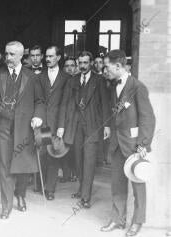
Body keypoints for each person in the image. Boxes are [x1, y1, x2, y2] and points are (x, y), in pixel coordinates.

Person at [0, 41, 45, 219]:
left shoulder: (32, 77)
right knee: (4, 166)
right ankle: (6, 205)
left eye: (12, 54)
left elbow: (40, 101)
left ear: (21, 56)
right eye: (6, 54)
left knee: (22, 165)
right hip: (2, 126)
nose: (7, 57)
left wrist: (38, 116)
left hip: (23, 128)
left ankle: (21, 195)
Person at [100, 50, 155, 236]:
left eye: (106, 66)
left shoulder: (138, 87)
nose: (104, 69)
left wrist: (143, 145)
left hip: (133, 146)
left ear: (118, 66)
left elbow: (148, 118)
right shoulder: (113, 86)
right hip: (116, 144)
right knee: (117, 184)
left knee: (138, 184)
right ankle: (117, 219)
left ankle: (137, 222)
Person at [57, 51, 110, 208]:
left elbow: (105, 103)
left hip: (93, 126)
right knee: (78, 161)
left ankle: (85, 197)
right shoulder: (72, 80)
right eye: (80, 63)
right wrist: (61, 125)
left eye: (85, 63)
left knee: (89, 161)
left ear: (91, 63)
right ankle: (82, 188)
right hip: (76, 126)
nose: (82, 66)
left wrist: (106, 125)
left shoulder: (99, 80)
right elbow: (65, 104)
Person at [36, 46, 69, 200]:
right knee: (42, 153)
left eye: (51, 56)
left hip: (56, 123)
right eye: (46, 56)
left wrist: (61, 125)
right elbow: (38, 101)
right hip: (43, 123)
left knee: (54, 154)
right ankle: (39, 185)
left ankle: (50, 189)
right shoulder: (39, 77)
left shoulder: (66, 78)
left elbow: (65, 104)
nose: (48, 59)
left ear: (59, 57)